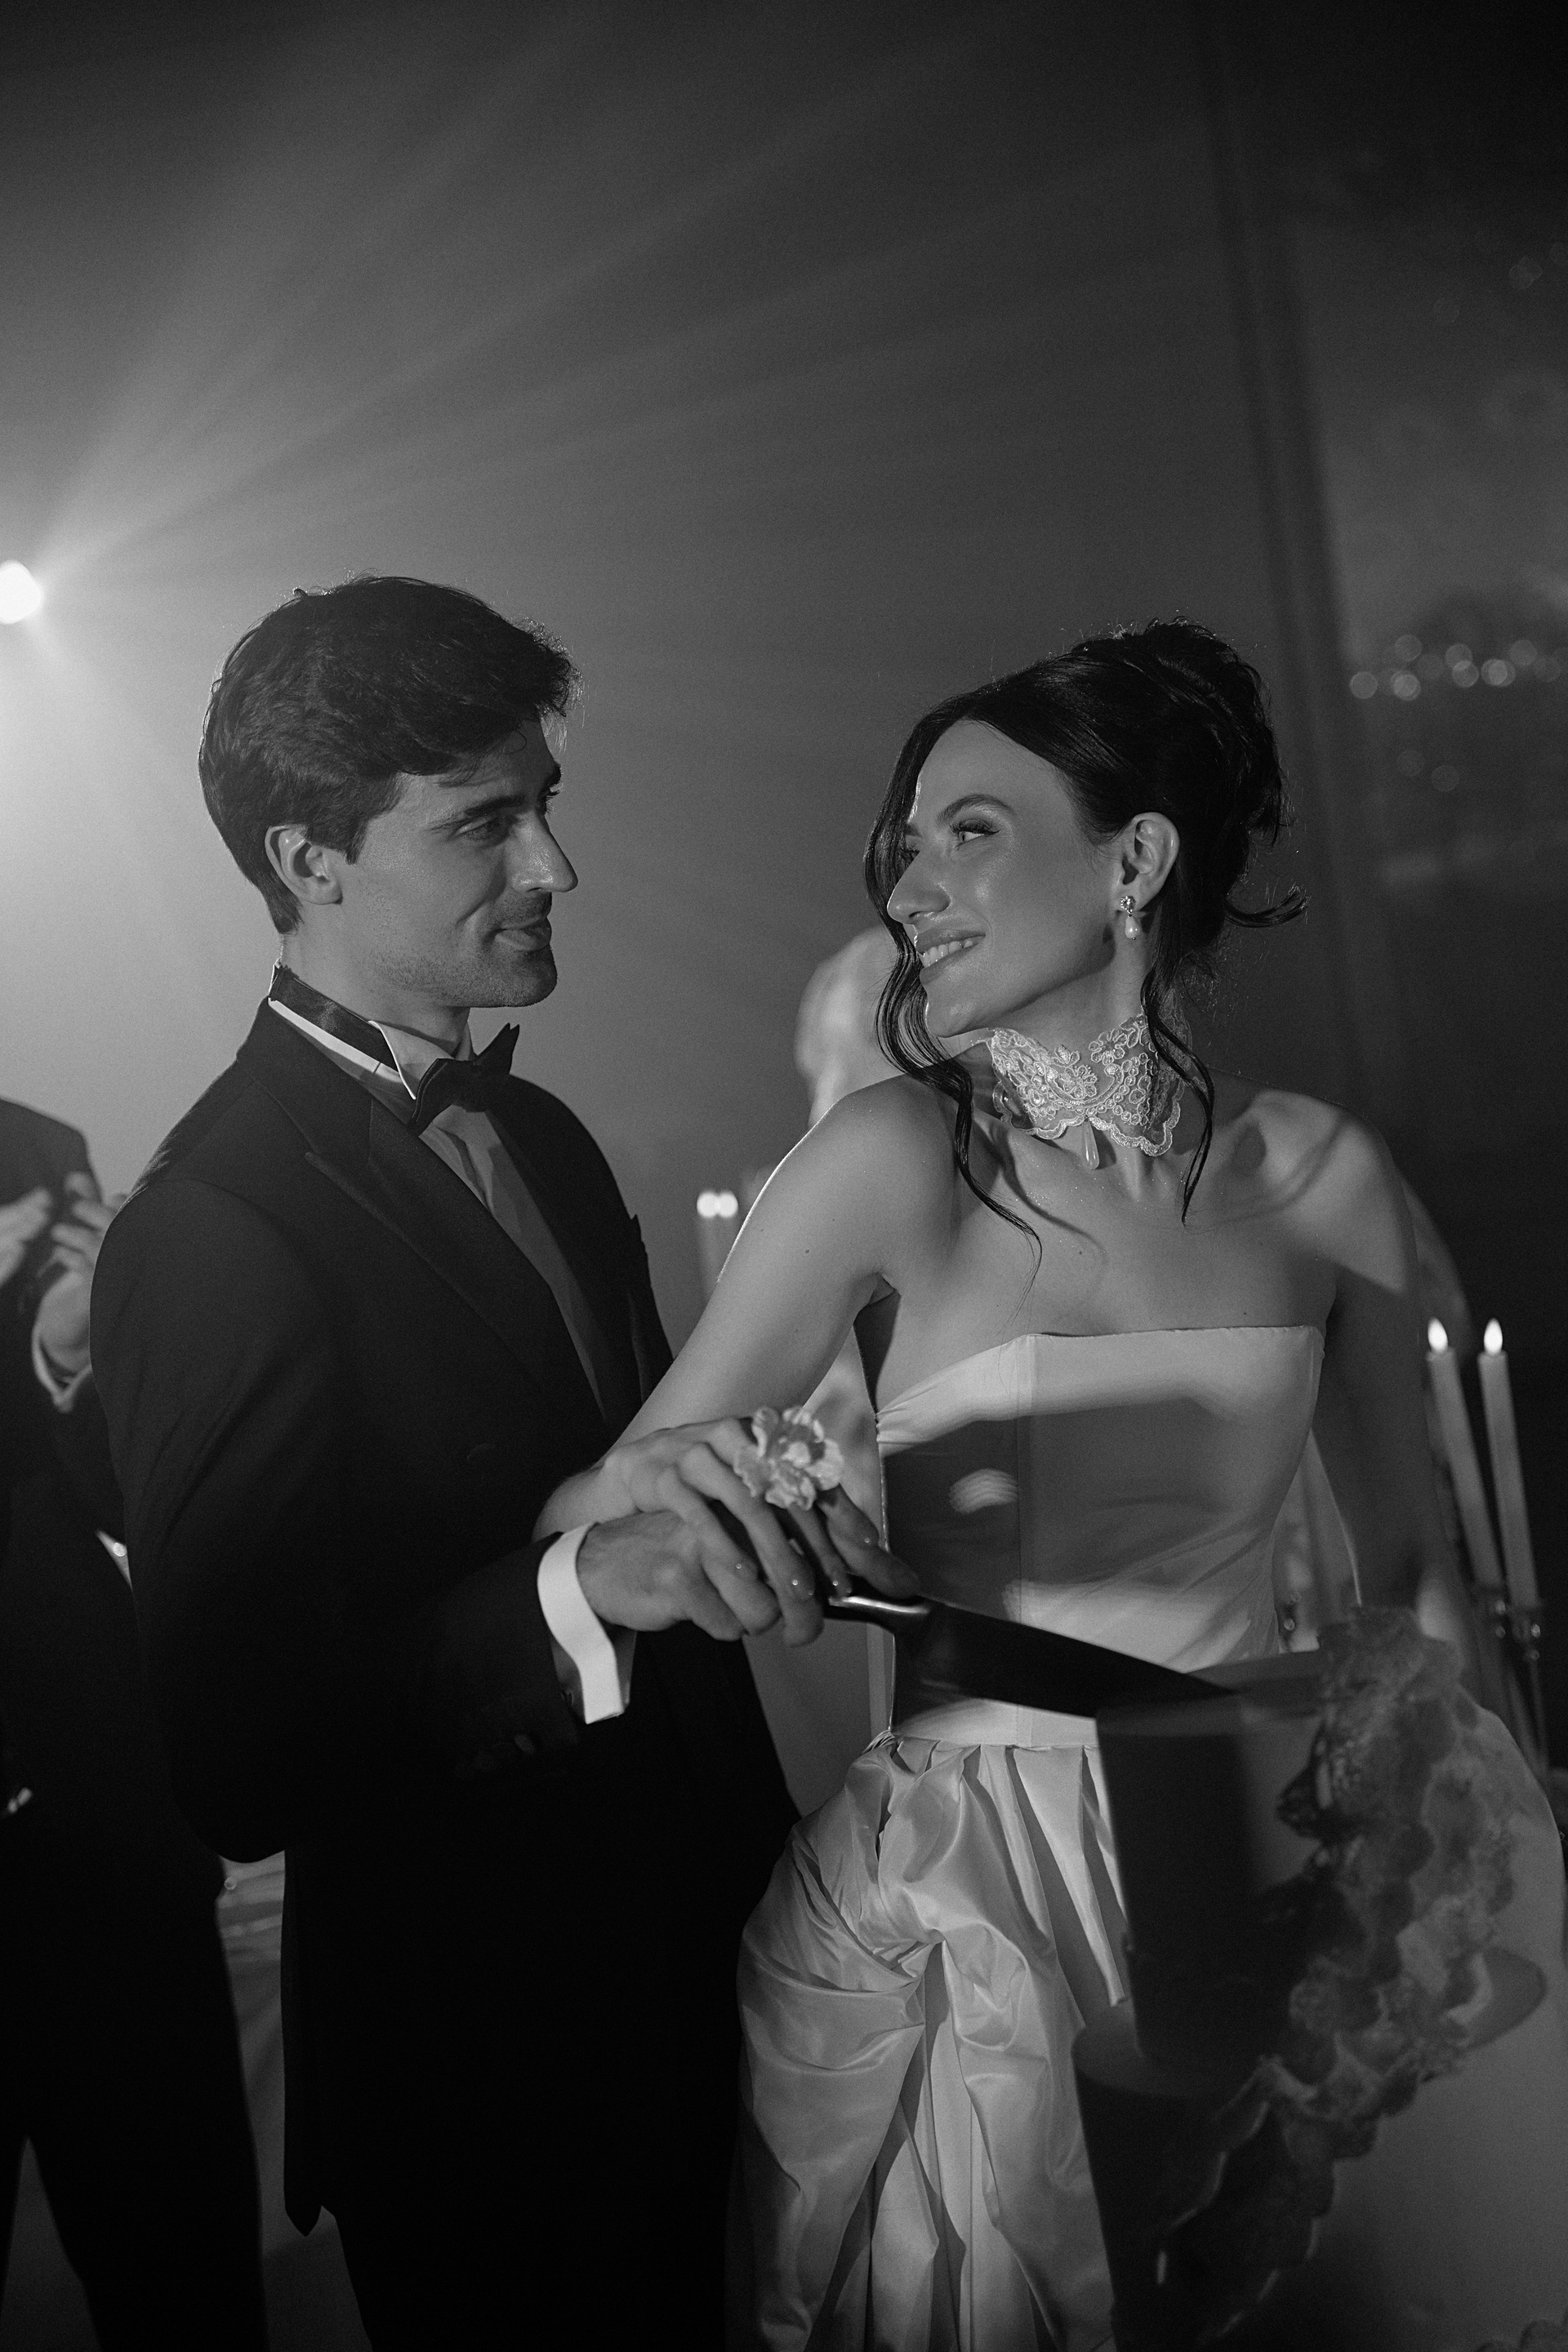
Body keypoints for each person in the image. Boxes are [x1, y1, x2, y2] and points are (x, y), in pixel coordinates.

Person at [540, 620, 1512, 2350]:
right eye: (903, 843)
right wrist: (696, 1508)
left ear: (1133, 864)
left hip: (1258, 1848)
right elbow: (601, 1501)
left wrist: (1444, 1870)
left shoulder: (1324, 1177)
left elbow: (1417, 1586)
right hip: (982, 1880)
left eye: (968, 832)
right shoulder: (889, 1159)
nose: (908, 887)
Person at [89, 577, 909, 2350]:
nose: (557, 865)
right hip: (493, 2082)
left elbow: (614, 1481)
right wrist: (571, 1592)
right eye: (484, 823)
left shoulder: (538, 1128)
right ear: (309, 859)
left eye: (547, 804)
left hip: (735, 1972)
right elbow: (236, 1751)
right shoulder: (207, 1231)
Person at [0, 1101, 265, 2349]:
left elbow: (118, 1494)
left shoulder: (36, 1149)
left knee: (184, 2282)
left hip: (99, 1831)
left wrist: (74, 1350)